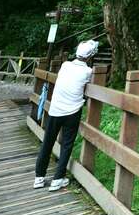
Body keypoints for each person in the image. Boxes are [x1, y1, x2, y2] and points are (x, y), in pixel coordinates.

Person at [34, 40, 98, 191]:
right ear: (89, 57)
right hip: (72, 111)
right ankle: (58, 178)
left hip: (56, 109)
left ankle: (39, 177)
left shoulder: (65, 65)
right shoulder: (88, 71)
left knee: (47, 142)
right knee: (66, 144)